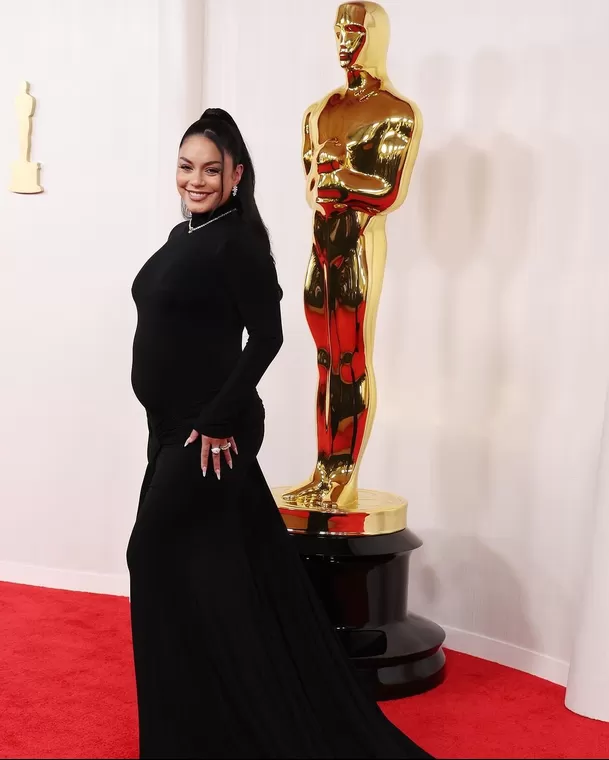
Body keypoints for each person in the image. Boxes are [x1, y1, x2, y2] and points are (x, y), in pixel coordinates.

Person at [126, 107, 432, 759]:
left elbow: (266, 337)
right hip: (168, 431)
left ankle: (198, 730)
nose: (196, 179)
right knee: (206, 578)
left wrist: (217, 417)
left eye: (211, 168)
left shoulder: (236, 240)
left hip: (203, 437)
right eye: (186, 167)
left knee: (149, 555)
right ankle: (199, 728)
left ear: (237, 174)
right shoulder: (188, 235)